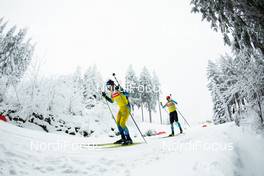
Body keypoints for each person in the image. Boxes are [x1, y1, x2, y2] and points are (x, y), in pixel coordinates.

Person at [102, 79, 133, 145]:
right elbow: (112, 101)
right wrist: (105, 96)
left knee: (122, 123)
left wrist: (122, 91)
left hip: (126, 107)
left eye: (109, 86)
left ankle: (129, 139)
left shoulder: (118, 89)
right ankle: (123, 138)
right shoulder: (112, 93)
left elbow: (127, 94)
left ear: (113, 85)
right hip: (121, 109)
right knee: (118, 123)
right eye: (107, 87)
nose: (109, 88)